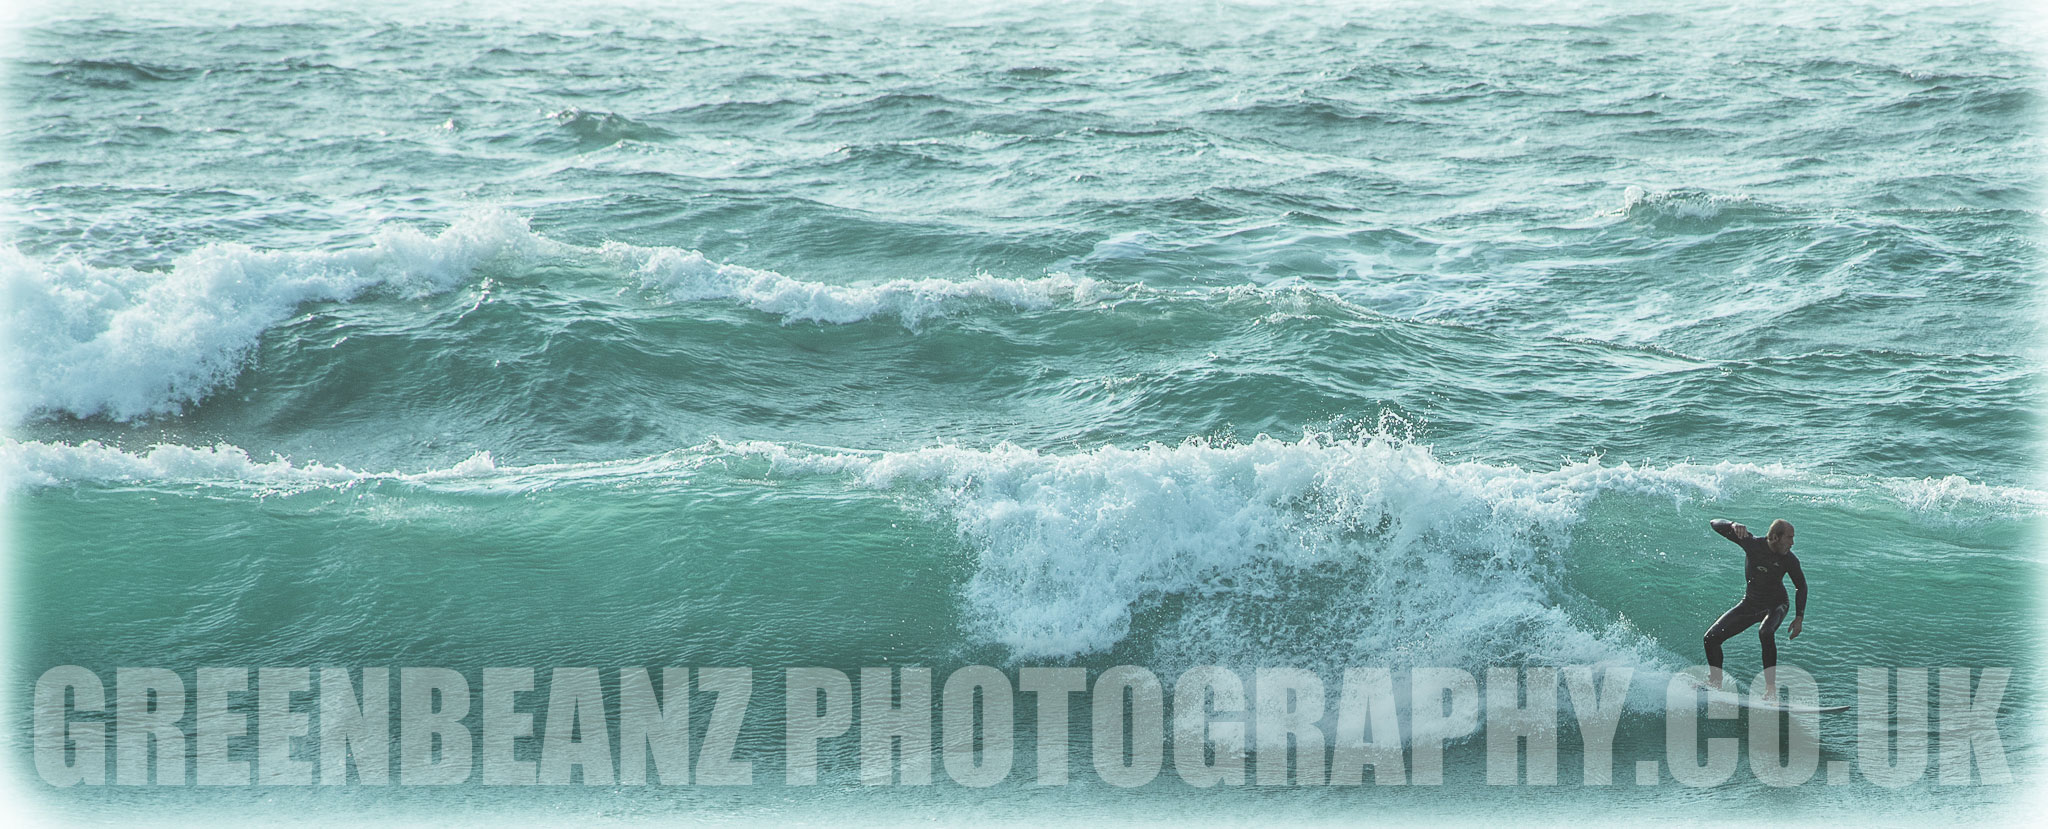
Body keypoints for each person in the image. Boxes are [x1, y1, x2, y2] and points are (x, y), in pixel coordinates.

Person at [1702, 518, 1807, 699]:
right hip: (1750, 604)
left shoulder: (1789, 559)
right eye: (1789, 538)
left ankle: (1770, 689)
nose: (1792, 543)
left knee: (1766, 632)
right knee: (1710, 638)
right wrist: (1732, 524)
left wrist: (1799, 617)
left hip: (1777, 605)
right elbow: (1714, 523)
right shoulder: (1752, 544)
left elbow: (1801, 586)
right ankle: (1715, 682)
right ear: (1775, 537)